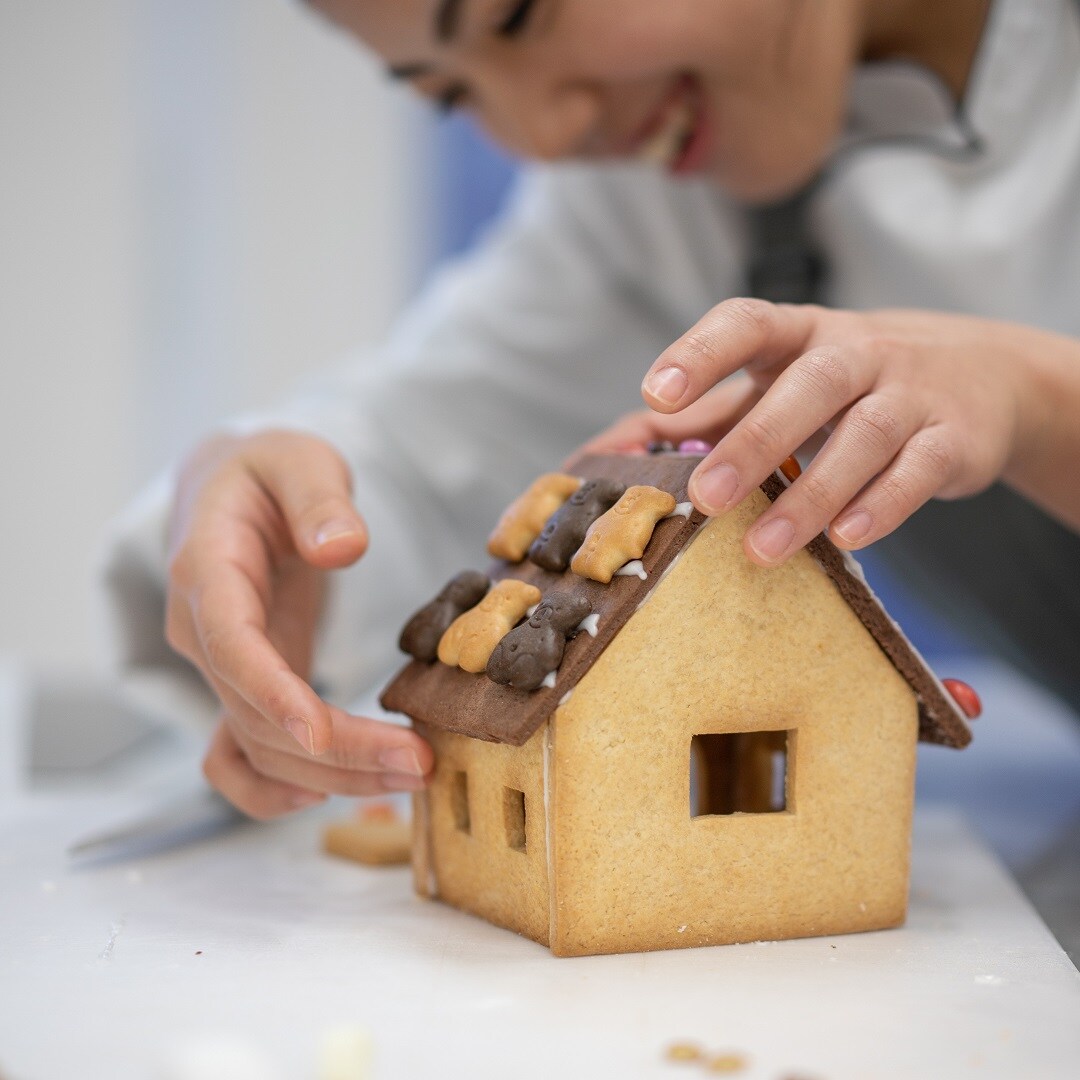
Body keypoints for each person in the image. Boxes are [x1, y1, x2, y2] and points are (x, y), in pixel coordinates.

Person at [103, 0, 1080, 819]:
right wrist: (260, 507)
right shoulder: (646, 196)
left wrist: (1040, 401)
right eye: (452, 95)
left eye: (521, 13)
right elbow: (421, 438)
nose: (544, 130)